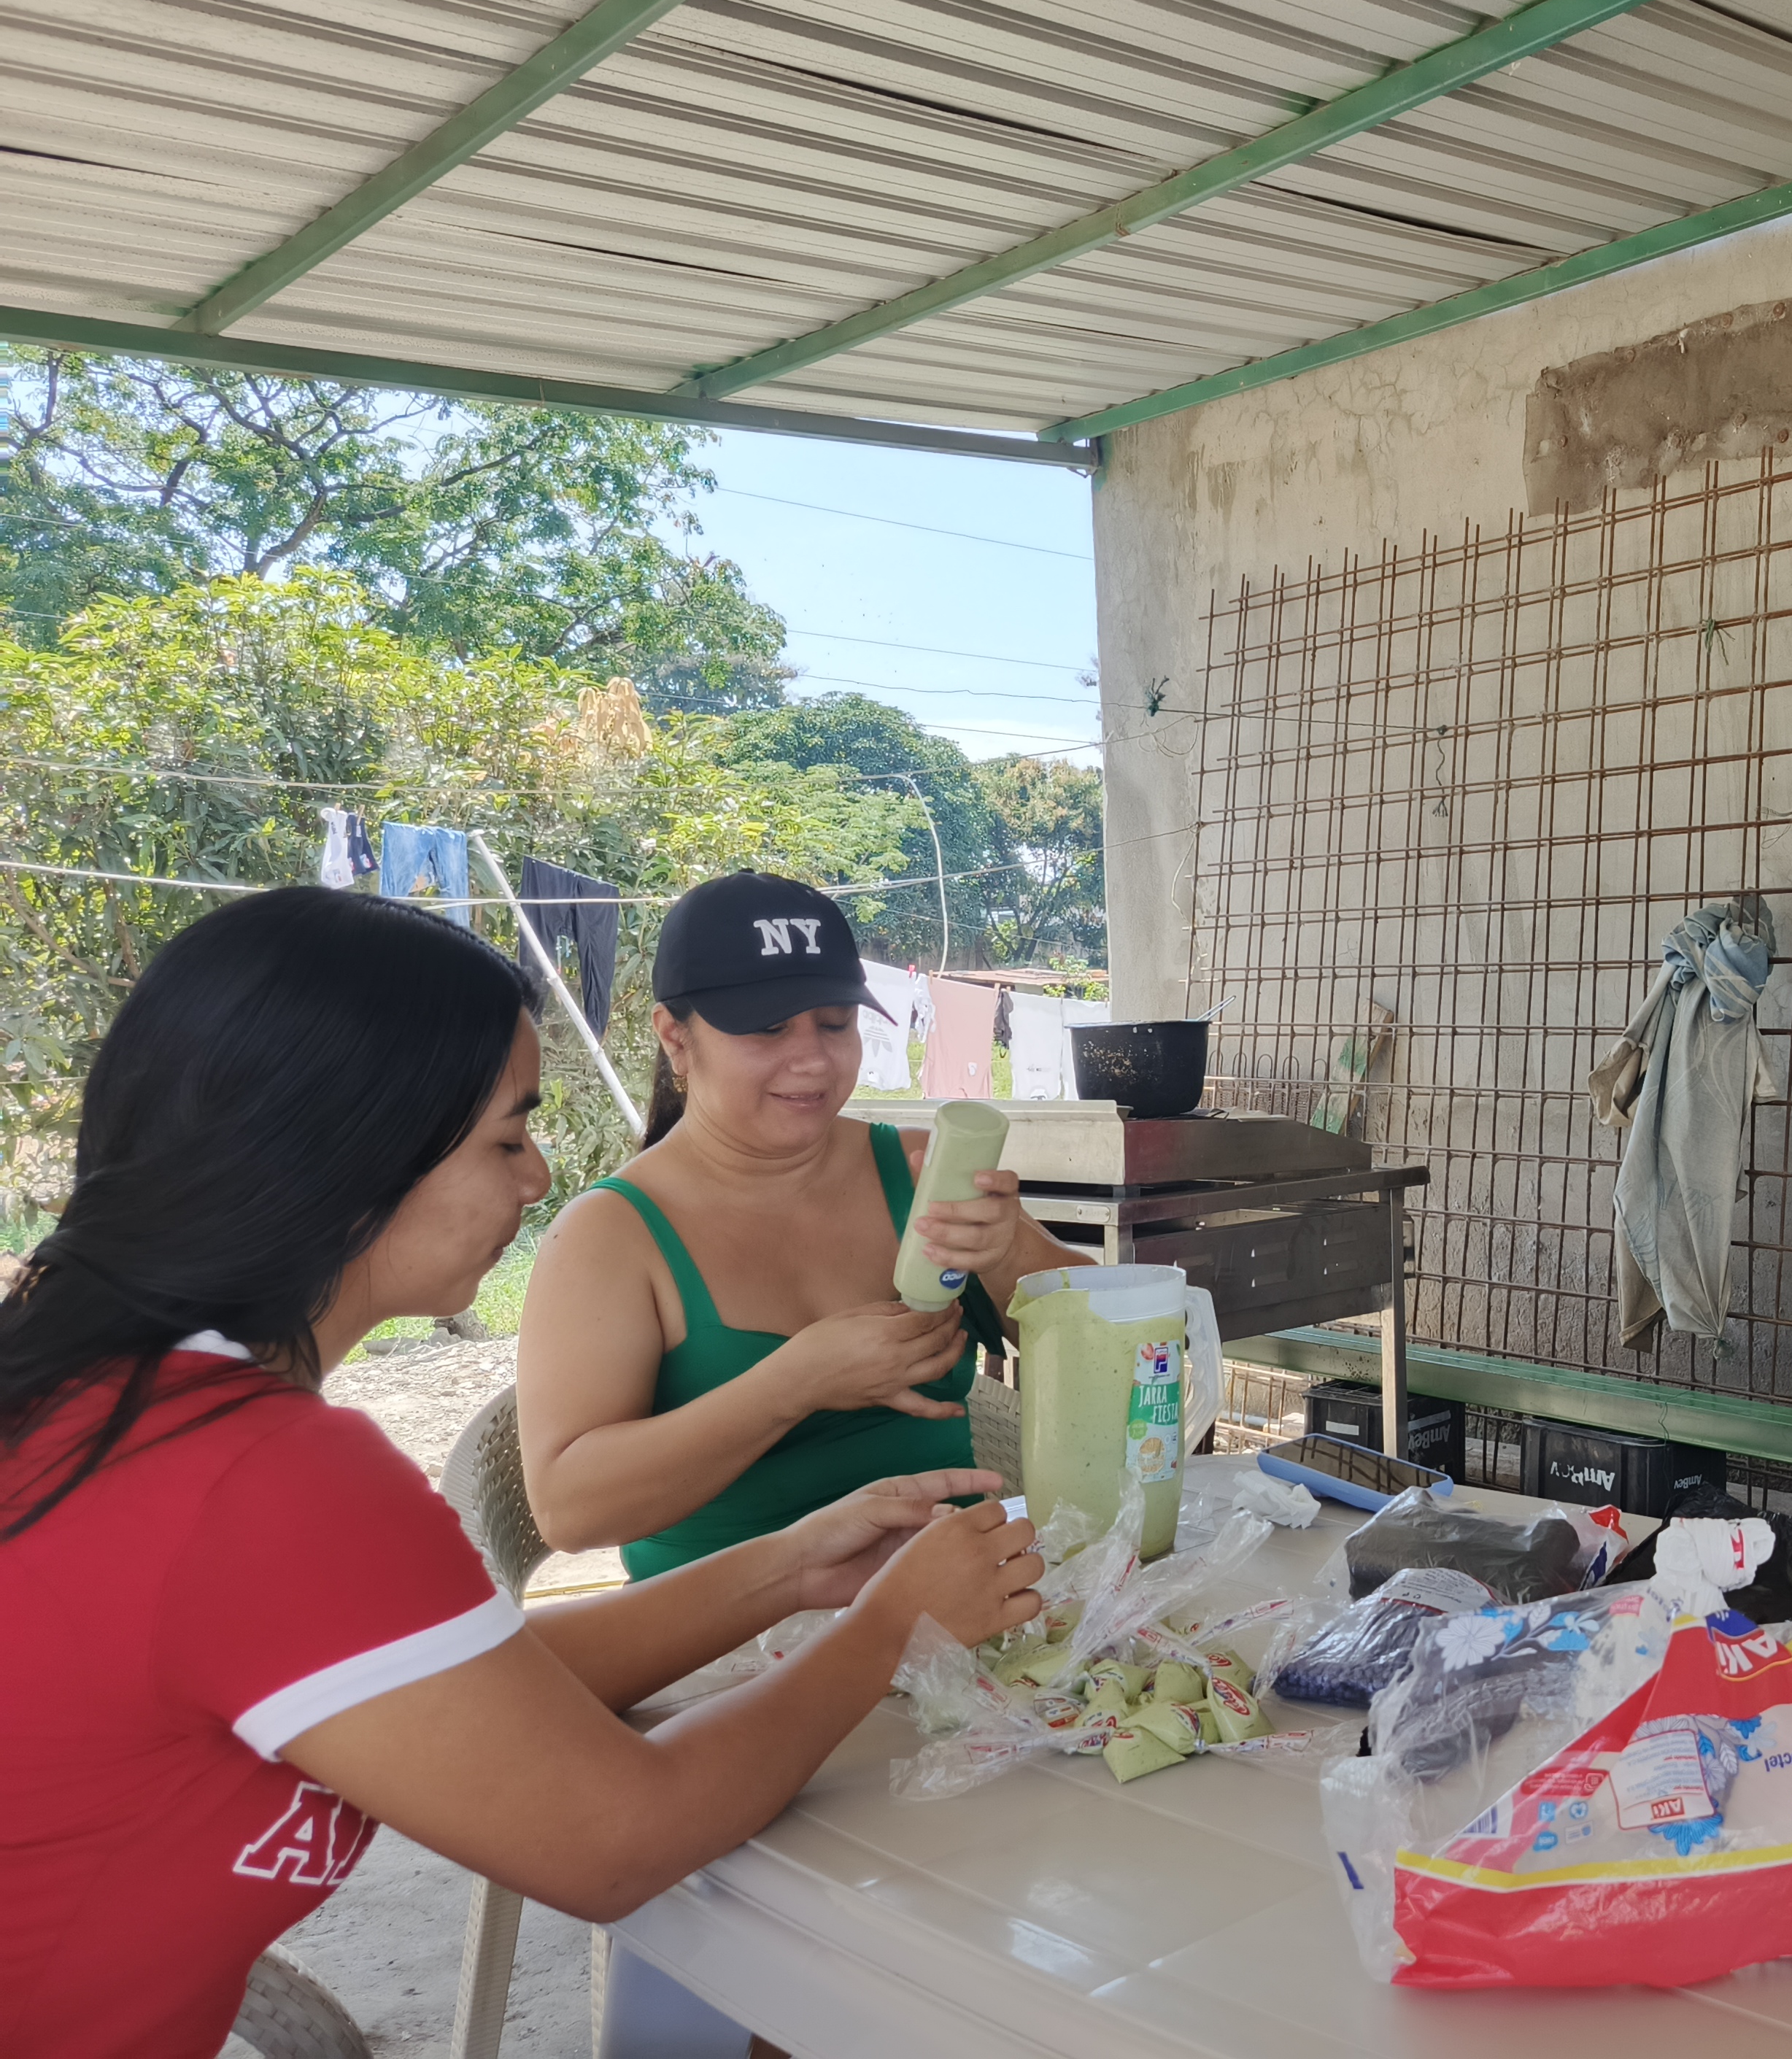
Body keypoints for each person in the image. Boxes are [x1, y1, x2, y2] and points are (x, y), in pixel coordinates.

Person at [0, 889, 1043, 2058]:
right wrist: (890, 1629)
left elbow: (476, 1690)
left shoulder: (100, 1393)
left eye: (833, 1024)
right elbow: (616, 1842)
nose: (539, 1177)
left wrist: (795, 1568)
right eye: (507, 1138)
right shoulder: (257, 1478)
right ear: (342, 1154)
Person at [520, 871, 1084, 1575]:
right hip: (734, 1632)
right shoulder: (611, 1235)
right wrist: (795, 1384)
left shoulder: (920, 1170)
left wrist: (1009, 1252)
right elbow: (570, 1511)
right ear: (676, 1038)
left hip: (960, 1603)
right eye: (768, 1028)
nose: (814, 1059)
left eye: (836, 1023)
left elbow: (1124, 1364)